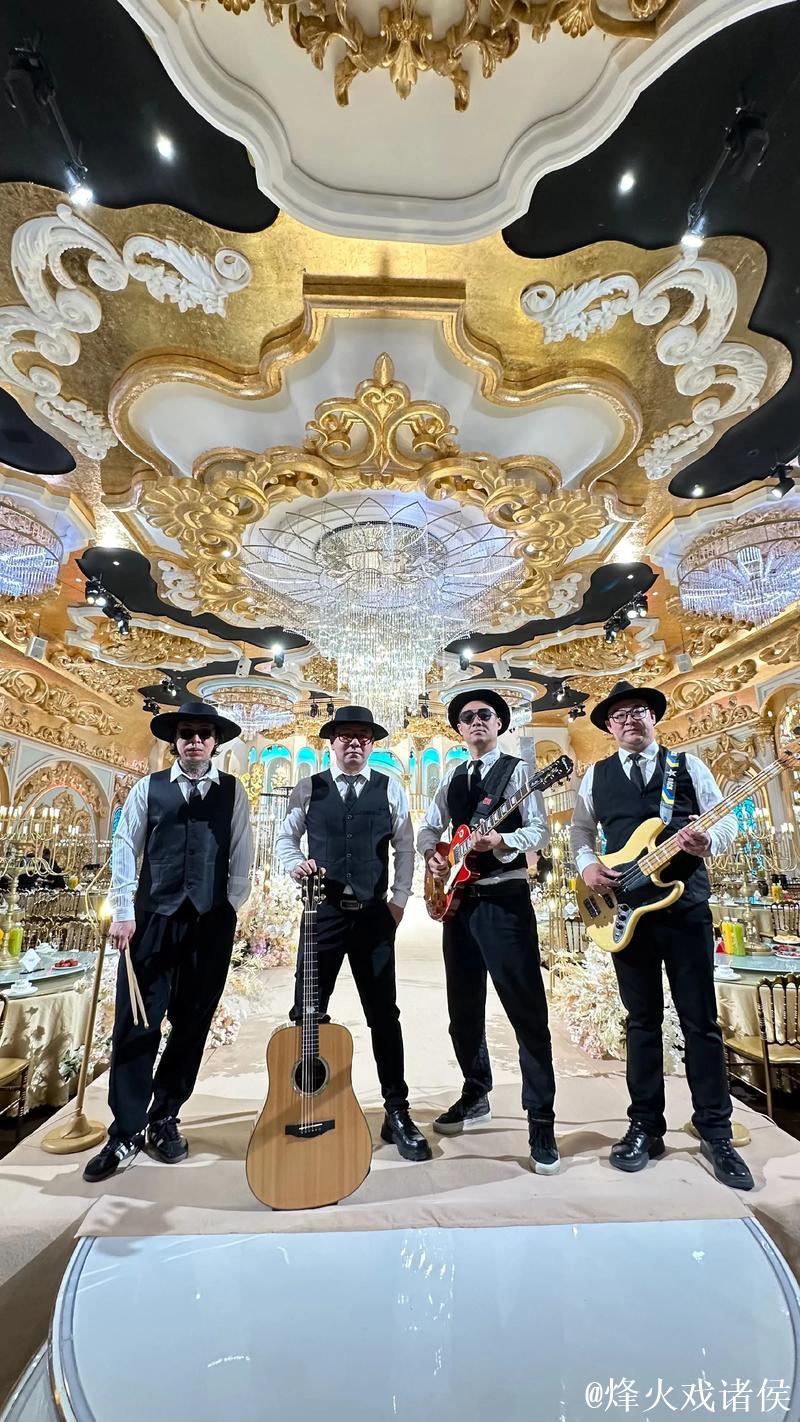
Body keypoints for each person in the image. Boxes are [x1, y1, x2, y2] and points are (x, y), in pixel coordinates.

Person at [570, 679, 754, 1190]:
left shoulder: (688, 766)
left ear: (653, 718)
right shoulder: (595, 776)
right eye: (620, 714)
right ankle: (645, 1126)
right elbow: (581, 831)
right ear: (609, 727)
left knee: (701, 1022)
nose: (630, 719)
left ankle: (715, 1131)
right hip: (627, 913)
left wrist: (707, 841)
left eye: (639, 711)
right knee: (642, 1021)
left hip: (685, 907)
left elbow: (727, 819)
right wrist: (587, 866)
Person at [83, 699, 253, 1183]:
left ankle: (165, 1116)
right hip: (151, 920)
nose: (194, 740)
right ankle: (126, 1129)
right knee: (137, 1022)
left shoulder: (233, 791)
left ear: (215, 743)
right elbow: (125, 845)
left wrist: (228, 908)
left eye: (203, 734)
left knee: (193, 1023)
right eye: (186, 734)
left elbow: (243, 851)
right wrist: (122, 910)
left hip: (210, 923)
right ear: (175, 742)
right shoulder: (149, 787)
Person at [275, 704, 431, 1163]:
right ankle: (306, 1103)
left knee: (384, 1015)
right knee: (307, 1013)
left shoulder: (390, 787)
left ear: (372, 744)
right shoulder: (308, 787)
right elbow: (285, 839)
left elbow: (405, 847)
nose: (355, 744)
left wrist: (399, 901)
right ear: (332, 743)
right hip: (320, 915)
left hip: (372, 915)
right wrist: (294, 863)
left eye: (363, 737)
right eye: (346, 737)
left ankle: (396, 1110)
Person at [417, 690, 559, 1174]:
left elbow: (539, 831)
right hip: (459, 906)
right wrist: (434, 855)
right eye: (467, 717)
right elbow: (429, 828)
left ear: (499, 724)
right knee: (463, 1012)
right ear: (459, 729)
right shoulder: (452, 776)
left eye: (486, 715)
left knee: (526, 1012)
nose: (477, 721)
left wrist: (502, 840)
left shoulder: (520, 773)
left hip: (505, 901)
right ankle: (475, 1092)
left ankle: (541, 1119)